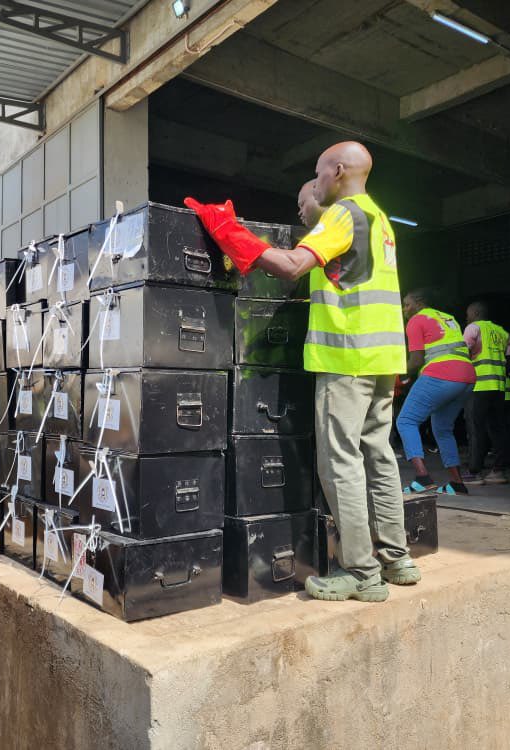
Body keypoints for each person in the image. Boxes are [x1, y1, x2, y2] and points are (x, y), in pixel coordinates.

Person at [185, 141, 417, 603]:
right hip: (382, 359)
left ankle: (361, 572)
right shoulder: (380, 219)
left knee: (341, 463)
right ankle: (397, 559)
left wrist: (232, 234)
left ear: (337, 170)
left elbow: (292, 265)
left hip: (348, 358)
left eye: (319, 171)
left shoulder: (343, 214)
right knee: (379, 456)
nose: (317, 180)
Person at [396, 289, 476, 495]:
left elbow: (416, 361)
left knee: (406, 421)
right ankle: (457, 483)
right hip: (467, 376)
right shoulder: (448, 318)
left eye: (407, 304)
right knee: (442, 428)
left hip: (441, 374)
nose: (404, 309)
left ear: (419, 302)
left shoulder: (416, 320)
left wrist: (396, 374)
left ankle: (422, 478)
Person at [462, 301, 510, 484]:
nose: (467, 318)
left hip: (478, 386)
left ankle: (474, 472)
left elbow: (462, 354)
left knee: (475, 429)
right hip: (498, 387)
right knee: (498, 429)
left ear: (476, 313)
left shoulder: (473, 328)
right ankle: (498, 471)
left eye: (468, 314)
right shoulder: (502, 332)